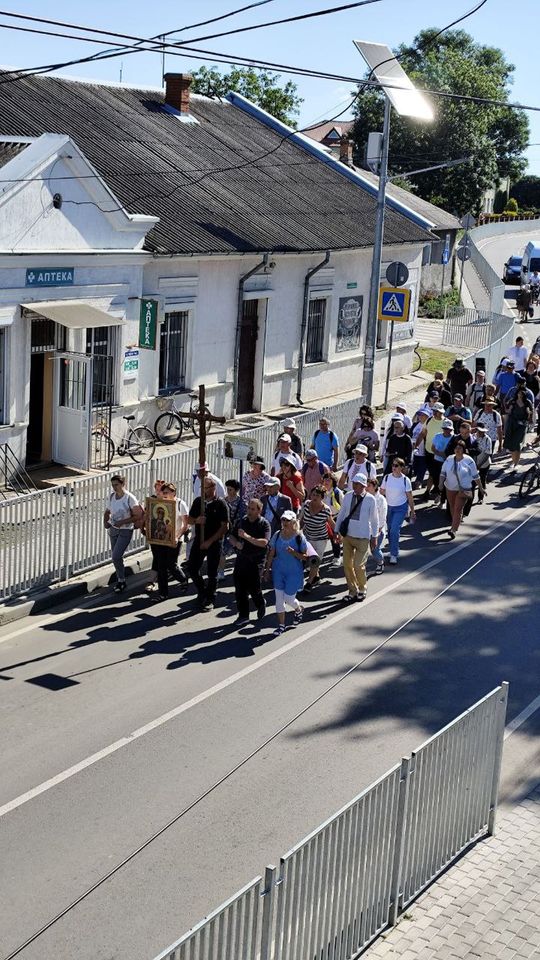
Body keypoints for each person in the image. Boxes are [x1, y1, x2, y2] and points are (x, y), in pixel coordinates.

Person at [334, 472, 378, 602]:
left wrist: (374, 537)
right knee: (347, 565)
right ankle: (352, 590)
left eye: (358, 484)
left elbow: (375, 520)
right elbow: (341, 514)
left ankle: (362, 588)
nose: (355, 486)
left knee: (358, 565)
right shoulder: (347, 496)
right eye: (354, 483)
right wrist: (336, 531)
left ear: (364, 485)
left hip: (363, 537)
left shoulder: (371, 499)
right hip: (348, 536)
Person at [187, 477, 229, 611]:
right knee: (192, 568)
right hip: (199, 540)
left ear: (213, 488)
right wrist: (197, 521)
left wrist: (209, 542)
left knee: (212, 572)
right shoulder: (198, 502)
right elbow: (189, 519)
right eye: (202, 488)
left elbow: (225, 527)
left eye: (206, 488)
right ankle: (202, 590)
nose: (203, 491)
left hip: (214, 542)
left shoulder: (221, 504)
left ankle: (210, 598)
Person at [264, 511, 308, 635]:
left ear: (294, 522)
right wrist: (267, 570)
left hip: (294, 572)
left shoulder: (299, 537)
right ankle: (281, 626)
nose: (285, 522)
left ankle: (298, 609)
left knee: (289, 599)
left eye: (288, 520)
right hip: (278, 571)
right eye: (283, 520)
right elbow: (271, 553)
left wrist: (294, 553)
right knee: (279, 599)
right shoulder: (277, 535)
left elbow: (305, 557)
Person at [230, 498, 271, 626]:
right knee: (240, 588)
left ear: (259, 510)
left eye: (253, 509)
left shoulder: (264, 524)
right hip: (242, 558)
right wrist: (236, 543)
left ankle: (260, 603)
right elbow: (231, 536)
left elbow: (264, 543)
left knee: (254, 588)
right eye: (248, 508)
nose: (249, 511)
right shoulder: (242, 521)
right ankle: (243, 615)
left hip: (256, 560)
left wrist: (247, 537)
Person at [148, 482, 189, 600]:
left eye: (166, 492)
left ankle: (182, 579)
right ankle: (163, 593)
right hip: (161, 540)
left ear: (173, 493)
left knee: (171, 564)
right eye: (162, 492)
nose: (164, 494)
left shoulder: (181, 504)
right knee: (161, 566)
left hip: (175, 539)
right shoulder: (160, 503)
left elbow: (185, 525)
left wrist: (177, 536)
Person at [103, 475, 141, 593]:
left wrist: (122, 522)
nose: (114, 487)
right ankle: (121, 580)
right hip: (114, 529)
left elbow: (138, 515)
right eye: (113, 485)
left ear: (123, 484)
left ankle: (121, 580)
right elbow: (107, 511)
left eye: (117, 485)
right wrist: (105, 522)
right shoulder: (112, 497)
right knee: (116, 558)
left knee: (116, 556)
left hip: (125, 530)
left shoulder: (130, 498)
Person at [439, 441, 484, 539]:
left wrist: (481, 488)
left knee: (458, 508)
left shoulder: (469, 460)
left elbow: (476, 476)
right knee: (452, 506)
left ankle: (453, 529)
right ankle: (456, 521)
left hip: (463, 489)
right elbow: (443, 473)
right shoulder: (449, 459)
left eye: (460, 448)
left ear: (464, 450)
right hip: (450, 488)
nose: (457, 450)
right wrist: (440, 483)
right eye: (456, 448)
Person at [380, 459, 416, 564]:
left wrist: (412, 511)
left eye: (396, 465)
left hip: (400, 508)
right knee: (390, 530)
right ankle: (393, 550)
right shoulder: (387, 478)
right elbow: (381, 492)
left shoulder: (405, 480)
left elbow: (410, 497)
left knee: (394, 530)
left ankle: (394, 554)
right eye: (393, 465)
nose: (394, 467)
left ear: (401, 468)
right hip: (388, 507)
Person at [299, 484, 334, 592]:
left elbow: (332, 524)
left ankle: (309, 583)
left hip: (321, 539)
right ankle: (316, 576)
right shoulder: (306, 505)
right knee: (310, 560)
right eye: (313, 494)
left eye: (317, 496)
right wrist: (296, 532)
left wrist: (338, 534)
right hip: (308, 537)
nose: (314, 497)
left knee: (315, 561)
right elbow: (301, 520)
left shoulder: (326, 510)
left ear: (322, 497)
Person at [218, 479, 245, 580]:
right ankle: (221, 572)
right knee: (222, 551)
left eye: (231, 489)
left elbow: (244, 518)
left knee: (239, 551)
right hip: (226, 531)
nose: (228, 490)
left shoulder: (241, 503)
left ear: (236, 490)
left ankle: (238, 571)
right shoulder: (223, 501)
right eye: (227, 488)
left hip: (237, 531)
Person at [504, 386, 534, 472]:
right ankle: (514, 461)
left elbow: (530, 413)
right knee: (511, 445)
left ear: (525, 394)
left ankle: (516, 463)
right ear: (517, 393)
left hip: (521, 425)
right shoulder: (513, 401)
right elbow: (507, 410)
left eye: (522, 393)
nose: (520, 394)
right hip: (512, 424)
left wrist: (529, 415)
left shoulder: (528, 402)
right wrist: (510, 409)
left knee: (517, 443)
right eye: (519, 393)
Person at [422, 402, 446, 501]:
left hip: (440, 454)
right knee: (432, 473)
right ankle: (430, 491)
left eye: (437, 412)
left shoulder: (446, 422)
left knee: (438, 474)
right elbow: (423, 433)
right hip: (429, 452)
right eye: (435, 411)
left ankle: (438, 492)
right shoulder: (428, 421)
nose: (435, 413)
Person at [430, 419, 454, 502]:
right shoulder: (437, 436)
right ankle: (439, 494)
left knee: (446, 480)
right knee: (436, 479)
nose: (447, 430)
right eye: (445, 428)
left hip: (448, 463)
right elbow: (433, 448)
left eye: (449, 429)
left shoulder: (454, 438)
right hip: (437, 461)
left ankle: (443, 497)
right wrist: (441, 454)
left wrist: (446, 456)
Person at [366, 476, 387, 574]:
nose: (366, 487)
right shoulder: (365, 497)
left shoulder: (381, 499)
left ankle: (380, 563)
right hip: (366, 529)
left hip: (377, 530)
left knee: (375, 550)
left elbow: (383, 516)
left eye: (369, 485)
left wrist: (378, 529)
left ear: (375, 487)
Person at [322, 472, 343, 563]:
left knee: (335, 537)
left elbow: (343, 507)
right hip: (324, 518)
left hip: (335, 518)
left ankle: (337, 556)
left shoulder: (337, 493)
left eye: (329, 480)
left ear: (333, 482)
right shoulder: (321, 492)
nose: (326, 482)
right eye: (325, 479)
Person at [473, 423, 492, 501]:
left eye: (483, 432)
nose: (482, 433)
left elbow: (488, 454)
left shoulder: (488, 439)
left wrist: (479, 465)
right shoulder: (473, 437)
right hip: (474, 462)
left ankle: (480, 498)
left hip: (484, 463)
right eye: (480, 431)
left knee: (482, 479)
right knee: (473, 481)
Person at [411, 409, 429, 488]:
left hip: (423, 450)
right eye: (419, 415)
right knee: (415, 467)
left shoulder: (428, 426)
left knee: (422, 467)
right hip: (414, 450)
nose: (420, 417)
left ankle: (419, 481)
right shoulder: (415, 425)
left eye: (422, 415)